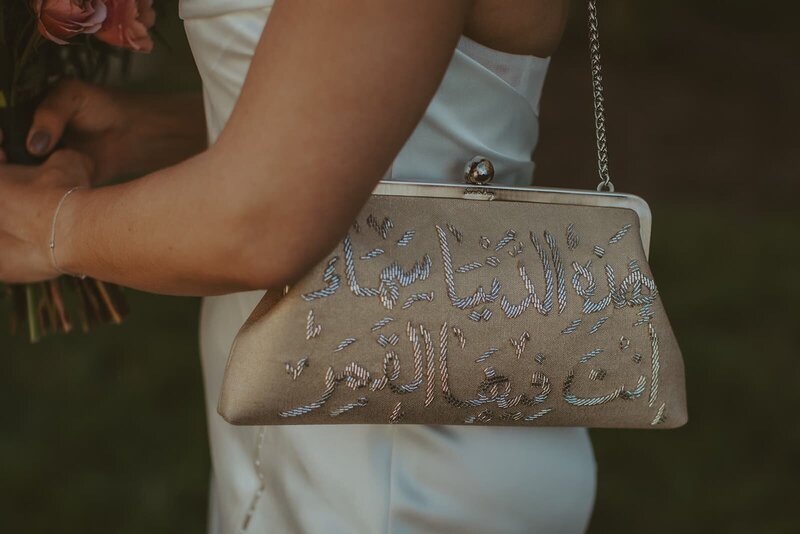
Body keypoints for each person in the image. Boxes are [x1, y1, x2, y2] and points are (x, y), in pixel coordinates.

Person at [0, 1, 596, 532]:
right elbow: (357, 121)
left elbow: (261, 229)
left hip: (393, 444)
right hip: (334, 409)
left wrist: (46, 225)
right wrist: (146, 130)